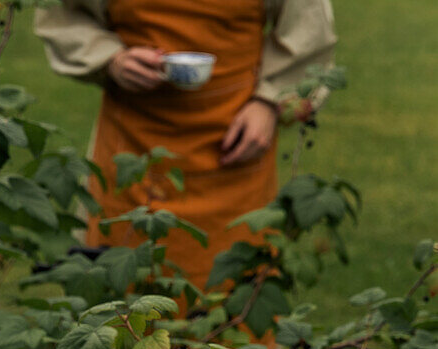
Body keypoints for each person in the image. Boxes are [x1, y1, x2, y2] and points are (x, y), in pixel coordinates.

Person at [35, 0, 337, 289]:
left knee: (233, 308)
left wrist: (269, 104)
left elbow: (309, 30)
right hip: (131, 152)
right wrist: (112, 59)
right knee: (120, 310)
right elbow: (62, 15)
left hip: (234, 152)